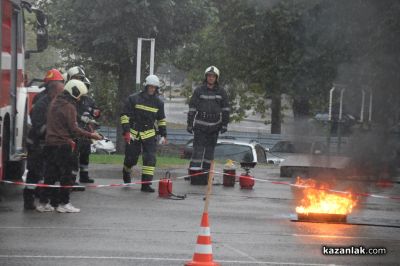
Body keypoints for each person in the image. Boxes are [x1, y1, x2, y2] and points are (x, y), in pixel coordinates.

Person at [36, 79, 102, 213]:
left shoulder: (54, 102)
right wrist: (92, 135)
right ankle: (63, 203)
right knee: (67, 175)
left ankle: (44, 203)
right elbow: (74, 129)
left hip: (50, 144)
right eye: (80, 96)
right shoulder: (69, 107)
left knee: (50, 175)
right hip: (63, 145)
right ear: (75, 92)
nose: (80, 99)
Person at [23, 69, 65, 210]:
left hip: (46, 144)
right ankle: (30, 201)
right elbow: (38, 126)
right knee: (36, 173)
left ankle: (43, 201)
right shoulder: (42, 102)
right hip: (37, 143)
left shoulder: (53, 100)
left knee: (46, 173)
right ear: (53, 87)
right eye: (60, 86)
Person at [120, 74, 167, 192]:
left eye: (154, 87)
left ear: (157, 89)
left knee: (150, 159)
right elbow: (124, 116)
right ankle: (126, 171)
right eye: (150, 87)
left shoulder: (159, 103)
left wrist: (164, 135)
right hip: (134, 133)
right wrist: (126, 131)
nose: (152, 89)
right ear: (146, 86)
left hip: (150, 134)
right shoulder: (133, 98)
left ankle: (146, 184)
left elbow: (161, 120)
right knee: (131, 159)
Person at [187, 66, 230, 183]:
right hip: (200, 126)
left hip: (214, 127)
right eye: (209, 76)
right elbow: (192, 108)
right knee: (198, 152)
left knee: (209, 154)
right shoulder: (199, 90)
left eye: (213, 76)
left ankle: (206, 177)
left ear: (216, 78)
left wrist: (225, 125)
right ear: (206, 77)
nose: (211, 78)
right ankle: (195, 177)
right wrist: (190, 124)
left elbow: (226, 109)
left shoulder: (221, 92)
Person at [65, 66, 101, 184]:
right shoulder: (67, 98)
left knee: (85, 154)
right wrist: (82, 118)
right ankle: (70, 180)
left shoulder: (88, 100)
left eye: (81, 79)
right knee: (72, 157)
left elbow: (96, 113)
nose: (79, 81)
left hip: (85, 133)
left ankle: (83, 176)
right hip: (72, 132)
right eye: (76, 78)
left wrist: (95, 116)